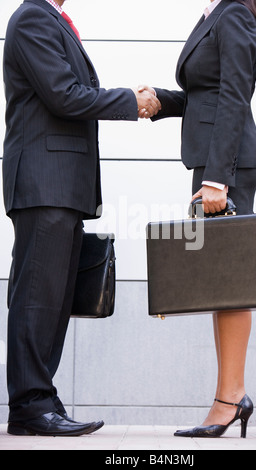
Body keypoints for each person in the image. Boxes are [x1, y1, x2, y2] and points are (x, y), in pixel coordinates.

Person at [2, 0, 161, 437]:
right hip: (43, 182)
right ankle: (30, 404)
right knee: (38, 297)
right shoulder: (33, 17)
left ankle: (39, 399)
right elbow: (64, 95)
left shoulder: (52, 20)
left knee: (53, 300)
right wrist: (132, 100)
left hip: (60, 185)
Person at [141, 0, 256, 438]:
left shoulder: (233, 13)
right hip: (214, 164)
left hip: (226, 166)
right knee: (221, 284)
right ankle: (229, 396)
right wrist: (162, 101)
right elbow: (208, 92)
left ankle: (230, 399)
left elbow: (235, 94)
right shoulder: (214, 14)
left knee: (231, 282)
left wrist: (218, 178)